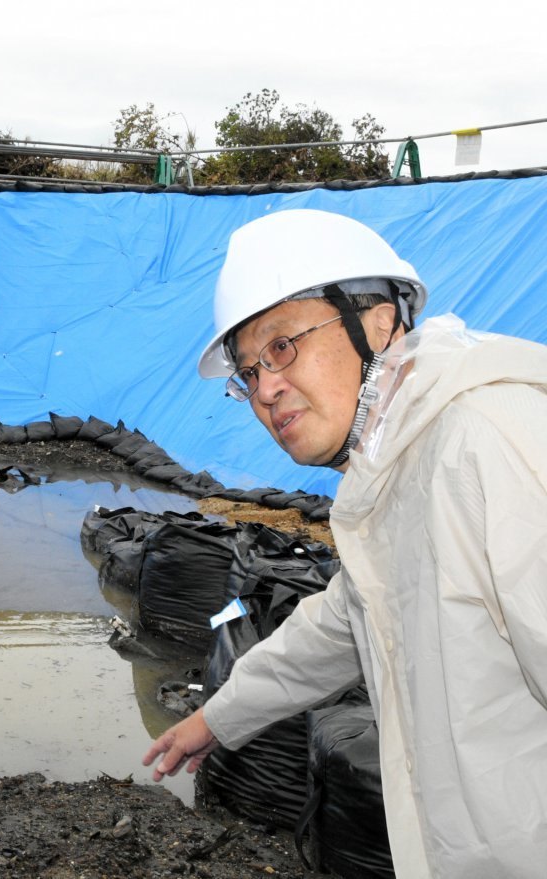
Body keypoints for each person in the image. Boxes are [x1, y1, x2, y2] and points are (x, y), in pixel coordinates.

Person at [142, 208, 547, 878]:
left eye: (282, 346)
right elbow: (338, 625)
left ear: (377, 321)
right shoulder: (396, 470)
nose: (265, 387)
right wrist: (217, 717)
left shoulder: (488, 443)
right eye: (247, 372)